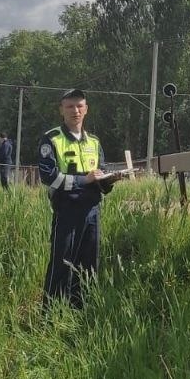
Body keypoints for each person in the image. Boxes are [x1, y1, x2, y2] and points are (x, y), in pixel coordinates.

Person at [38, 88, 124, 310]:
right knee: (62, 264)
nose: (75, 110)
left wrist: (111, 179)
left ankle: (80, 314)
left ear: (86, 110)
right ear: (61, 110)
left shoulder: (94, 142)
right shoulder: (52, 138)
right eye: (69, 106)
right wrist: (82, 181)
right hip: (66, 210)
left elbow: (100, 175)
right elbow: (49, 177)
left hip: (92, 211)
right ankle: (52, 317)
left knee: (88, 266)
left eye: (79, 106)